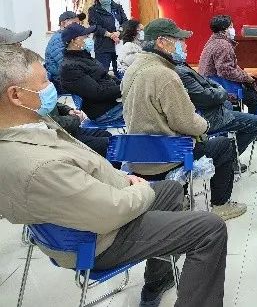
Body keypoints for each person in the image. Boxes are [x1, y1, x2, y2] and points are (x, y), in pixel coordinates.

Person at [0, 45, 228, 307]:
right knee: (210, 229)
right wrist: (138, 188)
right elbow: (110, 211)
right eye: (44, 82)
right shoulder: (37, 165)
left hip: (93, 208)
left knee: (172, 189)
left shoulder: (27, 127)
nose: (52, 87)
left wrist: (126, 182)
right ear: (16, 95)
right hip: (97, 240)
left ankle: (158, 279)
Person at [122, 18, 246, 220]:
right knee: (224, 146)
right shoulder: (165, 75)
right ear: (161, 42)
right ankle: (220, 204)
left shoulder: (133, 69)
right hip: (164, 156)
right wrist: (205, 125)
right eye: (179, 40)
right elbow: (186, 122)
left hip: (137, 154)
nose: (184, 46)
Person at [175, 57, 257, 170]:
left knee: (228, 104)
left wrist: (219, 90)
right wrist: (247, 79)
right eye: (182, 45)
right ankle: (229, 160)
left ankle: (226, 150)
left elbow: (207, 80)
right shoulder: (180, 70)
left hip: (209, 107)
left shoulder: (179, 66)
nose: (185, 48)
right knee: (256, 119)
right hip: (206, 116)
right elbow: (223, 74)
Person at [198, 15, 257, 127]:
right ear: (225, 29)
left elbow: (229, 67)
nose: (233, 29)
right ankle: (253, 127)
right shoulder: (223, 45)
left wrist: (244, 75)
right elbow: (226, 71)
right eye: (231, 26)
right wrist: (247, 78)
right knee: (254, 96)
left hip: (210, 82)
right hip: (220, 85)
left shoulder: (213, 41)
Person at [59, 23, 124, 126]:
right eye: (85, 36)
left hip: (114, 101)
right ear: (74, 41)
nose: (88, 39)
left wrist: (125, 83)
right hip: (106, 111)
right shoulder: (70, 67)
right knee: (148, 109)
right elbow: (98, 93)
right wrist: (125, 88)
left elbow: (105, 76)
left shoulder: (84, 56)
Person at [88, 0, 128, 76]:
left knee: (120, 73)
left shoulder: (117, 7)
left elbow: (125, 22)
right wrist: (110, 35)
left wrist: (119, 32)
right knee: (102, 73)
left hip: (119, 44)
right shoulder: (94, 10)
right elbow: (95, 27)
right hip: (103, 46)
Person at [44, 11, 86, 91]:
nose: (77, 26)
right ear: (63, 23)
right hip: (59, 80)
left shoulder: (68, 37)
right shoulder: (58, 39)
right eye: (74, 23)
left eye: (78, 23)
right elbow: (65, 65)